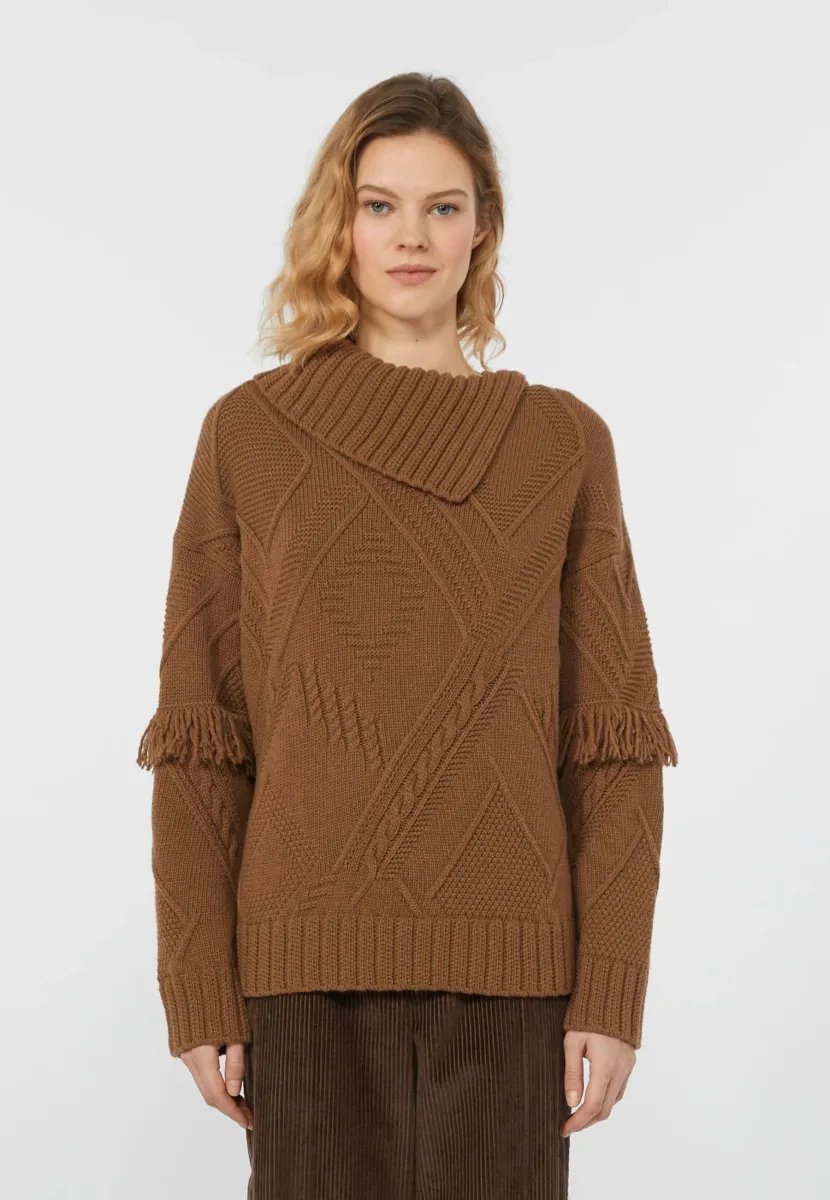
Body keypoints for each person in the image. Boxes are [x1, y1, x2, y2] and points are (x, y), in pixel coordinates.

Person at [136, 71, 678, 1198]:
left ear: (483, 226)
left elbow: (614, 742)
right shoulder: (248, 437)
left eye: (442, 206)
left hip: (516, 973)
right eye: (378, 204)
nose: (411, 236)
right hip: (299, 970)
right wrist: (196, 985)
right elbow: (202, 737)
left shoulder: (562, 445)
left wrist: (612, 989)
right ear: (337, 223)